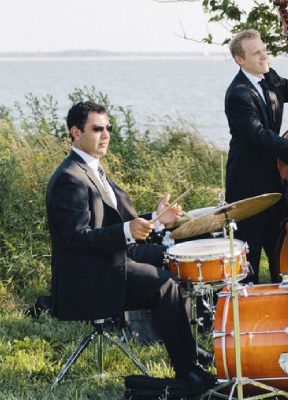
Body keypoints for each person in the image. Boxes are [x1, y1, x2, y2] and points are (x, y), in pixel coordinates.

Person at [46, 101, 214, 385]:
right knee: (161, 284)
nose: (105, 135)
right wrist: (127, 230)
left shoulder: (94, 169)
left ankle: (186, 344)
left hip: (111, 261)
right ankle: (188, 370)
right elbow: (76, 239)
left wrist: (158, 219)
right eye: (97, 129)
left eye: (108, 128)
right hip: (89, 278)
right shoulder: (69, 178)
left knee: (174, 257)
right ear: (75, 132)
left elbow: (116, 224)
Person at [224, 29, 288, 283]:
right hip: (247, 183)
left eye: (264, 50)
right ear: (240, 59)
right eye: (256, 53)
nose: (264, 56)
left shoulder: (271, 78)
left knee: (280, 242)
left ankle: (285, 298)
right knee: (250, 250)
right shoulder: (237, 93)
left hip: (276, 178)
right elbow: (258, 136)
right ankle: (249, 307)